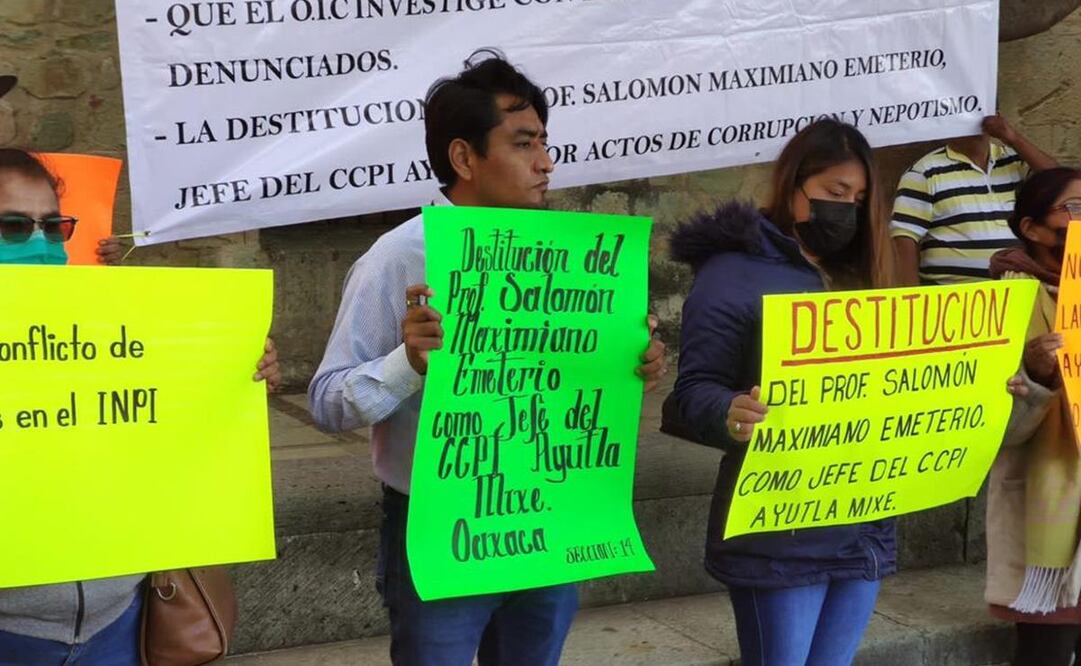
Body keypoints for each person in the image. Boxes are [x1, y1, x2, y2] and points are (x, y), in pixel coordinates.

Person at [308, 51, 666, 666]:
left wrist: (634, 364)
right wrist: (406, 364)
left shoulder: (575, 259)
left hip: (552, 518)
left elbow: (582, 380)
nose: (546, 162)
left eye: (545, 142)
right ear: (464, 157)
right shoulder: (400, 257)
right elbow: (326, 403)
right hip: (441, 528)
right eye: (524, 143)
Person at [0, 147, 282, 665]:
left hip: (119, 623)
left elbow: (167, 430)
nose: (41, 245)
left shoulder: (113, 331)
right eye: (13, 227)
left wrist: (234, 379)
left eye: (54, 227)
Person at [668, 119, 896, 665]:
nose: (848, 208)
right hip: (779, 529)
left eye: (859, 199)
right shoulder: (732, 274)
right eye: (836, 192)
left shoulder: (861, 273)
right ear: (793, 183)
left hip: (862, 519)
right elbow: (690, 393)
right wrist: (729, 410)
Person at [987, 166, 1081, 666]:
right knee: (1047, 651)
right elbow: (996, 429)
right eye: (1073, 209)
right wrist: (1038, 375)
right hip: (1048, 508)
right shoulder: (1005, 302)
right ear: (1033, 229)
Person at [891, 114, 1057, 286]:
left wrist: (1013, 138)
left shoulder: (1014, 161)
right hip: (954, 293)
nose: (970, 121)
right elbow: (905, 237)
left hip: (1017, 288)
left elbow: (1057, 182)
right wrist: (913, 294)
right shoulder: (924, 172)